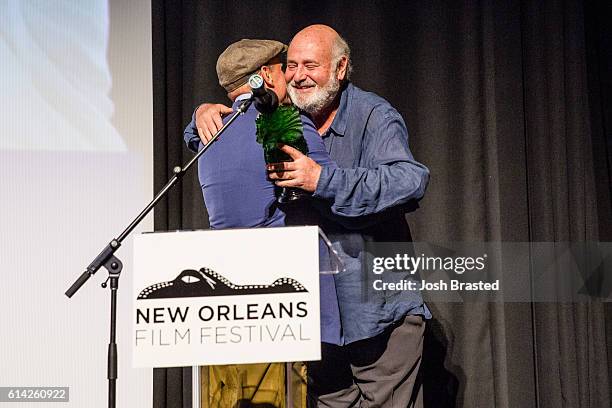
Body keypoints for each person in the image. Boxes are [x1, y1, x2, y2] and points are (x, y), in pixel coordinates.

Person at [193, 25, 430, 408]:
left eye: (311, 65)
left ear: (340, 69)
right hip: (312, 319)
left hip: (375, 313)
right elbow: (217, 136)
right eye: (290, 65)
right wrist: (201, 115)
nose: (298, 75)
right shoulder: (278, 117)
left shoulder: (372, 115)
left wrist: (323, 179)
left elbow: (410, 180)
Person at [183, 38, 341, 407]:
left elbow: (193, 134)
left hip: (221, 308)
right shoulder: (283, 122)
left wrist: (199, 113)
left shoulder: (207, 133)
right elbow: (331, 185)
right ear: (266, 75)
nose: (290, 75)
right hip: (276, 306)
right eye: (283, 67)